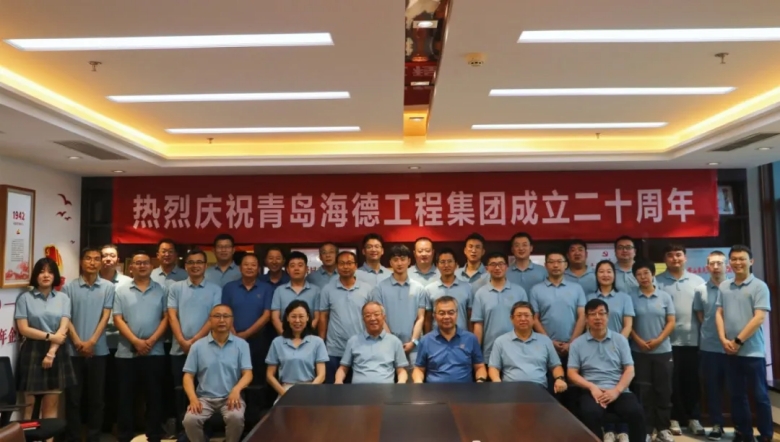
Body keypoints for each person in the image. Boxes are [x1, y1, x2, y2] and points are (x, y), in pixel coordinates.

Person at [567, 299, 646, 442]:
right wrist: (592, 387)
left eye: (601, 313)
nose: (597, 317)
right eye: (593, 314)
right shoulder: (577, 344)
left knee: (635, 412)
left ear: (607, 316)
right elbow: (571, 373)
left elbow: (629, 369)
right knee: (590, 413)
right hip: (592, 392)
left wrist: (616, 391)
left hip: (619, 390)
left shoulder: (620, 340)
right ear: (586, 319)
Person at [716, 245, 773, 442]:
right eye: (734, 259)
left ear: (751, 261)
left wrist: (738, 341)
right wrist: (723, 339)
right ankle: (743, 433)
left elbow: (759, 318)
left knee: (760, 396)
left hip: (753, 352)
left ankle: (766, 435)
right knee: (736, 395)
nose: (737, 262)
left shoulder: (759, 286)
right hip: (730, 351)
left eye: (742, 259)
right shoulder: (724, 286)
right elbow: (719, 313)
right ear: (729, 262)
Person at [113, 250, 169, 442]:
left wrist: (151, 341)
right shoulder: (121, 290)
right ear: (131, 267)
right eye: (138, 263)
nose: (142, 266)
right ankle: (125, 435)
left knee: (154, 395)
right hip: (126, 352)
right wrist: (136, 342)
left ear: (152, 267)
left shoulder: (161, 290)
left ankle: (154, 434)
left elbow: (167, 317)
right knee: (125, 396)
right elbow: (118, 319)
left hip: (155, 351)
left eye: (145, 262)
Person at [15, 257, 76, 426]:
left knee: (51, 404)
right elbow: (23, 329)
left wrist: (51, 352)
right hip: (32, 350)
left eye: (50, 272)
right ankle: (28, 437)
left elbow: (63, 327)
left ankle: (48, 438)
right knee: (29, 406)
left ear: (55, 275)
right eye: (41, 272)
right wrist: (50, 337)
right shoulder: (25, 298)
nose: (46, 275)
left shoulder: (63, 298)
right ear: (35, 275)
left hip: (56, 350)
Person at [167, 249, 222, 435]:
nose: (195, 266)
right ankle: (183, 433)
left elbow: (214, 318)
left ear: (205, 266)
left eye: (199, 262)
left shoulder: (215, 289)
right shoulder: (175, 288)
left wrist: (194, 342)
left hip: (207, 350)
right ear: (186, 266)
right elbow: (172, 316)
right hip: (179, 348)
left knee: (205, 392)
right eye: (191, 262)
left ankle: (205, 432)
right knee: (180, 392)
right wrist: (183, 341)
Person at [64, 248, 115, 442]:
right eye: (88, 259)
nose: (92, 262)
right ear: (81, 262)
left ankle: (94, 436)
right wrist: (78, 341)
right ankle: (73, 437)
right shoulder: (69, 287)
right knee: (73, 398)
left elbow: (106, 316)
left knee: (97, 399)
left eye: (96, 259)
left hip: (98, 350)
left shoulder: (108, 287)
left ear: (101, 262)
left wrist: (92, 341)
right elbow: (65, 317)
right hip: (73, 350)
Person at [182, 304, 253, 442]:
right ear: (210, 320)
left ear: (232, 320)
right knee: (190, 420)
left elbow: (248, 373)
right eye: (217, 316)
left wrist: (236, 390)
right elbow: (188, 376)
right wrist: (193, 398)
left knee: (236, 418)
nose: (221, 320)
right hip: (204, 398)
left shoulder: (242, 345)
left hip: (231, 397)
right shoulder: (197, 346)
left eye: (226, 316)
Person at [656, 244, 705, 436]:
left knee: (692, 381)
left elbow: (703, 312)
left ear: (685, 258)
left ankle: (693, 418)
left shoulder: (697, 281)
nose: (675, 258)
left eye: (678, 255)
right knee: (670, 383)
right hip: (666, 343)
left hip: (693, 341)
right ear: (664, 259)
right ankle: (673, 418)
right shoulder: (657, 281)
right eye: (670, 255)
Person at [587, 259, 635, 442]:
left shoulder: (624, 298)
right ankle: (607, 429)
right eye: (601, 271)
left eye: (609, 271)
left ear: (614, 275)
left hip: (619, 348)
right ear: (596, 275)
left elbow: (628, 324)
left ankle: (623, 430)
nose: (605, 275)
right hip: (595, 348)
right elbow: (586, 323)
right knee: (601, 385)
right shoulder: (589, 297)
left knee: (621, 388)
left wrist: (617, 343)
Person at [220, 254, 273, 414]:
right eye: (246, 264)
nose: (250, 267)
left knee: (257, 377)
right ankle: (234, 411)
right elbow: (224, 312)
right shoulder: (229, 287)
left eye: (253, 265)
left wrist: (247, 333)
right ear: (240, 268)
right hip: (231, 338)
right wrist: (234, 333)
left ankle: (255, 415)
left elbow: (267, 315)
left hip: (258, 340)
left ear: (258, 268)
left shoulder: (266, 288)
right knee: (234, 375)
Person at [630, 260, 675, 442]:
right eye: (639, 274)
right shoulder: (630, 297)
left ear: (653, 274)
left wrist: (658, 340)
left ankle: (663, 428)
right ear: (635, 277)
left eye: (646, 273)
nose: (643, 277)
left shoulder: (664, 297)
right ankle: (647, 429)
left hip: (662, 351)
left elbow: (671, 321)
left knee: (664, 391)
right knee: (644, 393)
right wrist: (638, 341)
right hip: (639, 352)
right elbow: (628, 323)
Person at [318, 251, 373, 383]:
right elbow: (323, 317)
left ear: (356, 266)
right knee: (333, 389)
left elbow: (373, 317)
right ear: (337, 266)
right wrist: (321, 343)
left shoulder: (367, 289)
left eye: (349, 263)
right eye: (342, 263)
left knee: (358, 389)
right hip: (334, 350)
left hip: (361, 348)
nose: (345, 267)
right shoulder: (327, 289)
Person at [488, 302, 565, 393]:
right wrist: (497, 381)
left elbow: (556, 366)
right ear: (511, 319)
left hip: (539, 390)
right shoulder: (501, 341)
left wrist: (560, 379)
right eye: (519, 315)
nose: (523, 319)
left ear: (533, 318)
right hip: (510, 390)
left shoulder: (545, 341)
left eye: (526, 315)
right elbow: (494, 367)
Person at [370, 245, 426, 367]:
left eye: (403, 259)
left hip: (414, 347)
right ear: (390, 262)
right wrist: (392, 342)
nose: (399, 263)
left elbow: (420, 318)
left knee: (415, 378)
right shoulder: (379, 288)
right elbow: (379, 318)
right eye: (395, 260)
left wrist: (413, 342)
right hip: (386, 346)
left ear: (409, 261)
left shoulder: (419, 288)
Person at [693, 251, 728, 440]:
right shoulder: (700, 290)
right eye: (712, 264)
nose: (716, 267)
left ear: (726, 266)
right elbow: (701, 315)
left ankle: (741, 425)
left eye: (719, 263)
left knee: (736, 389)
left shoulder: (733, 288)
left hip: (733, 347)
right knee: (712, 388)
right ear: (707, 267)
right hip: (709, 347)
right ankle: (717, 424)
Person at [412, 296, 485, 383]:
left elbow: (480, 367)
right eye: (442, 313)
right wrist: (418, 381)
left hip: (465, 390)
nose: (446, 317)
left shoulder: (470, 339)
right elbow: (419, 369)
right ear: (434, 315)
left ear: (457, 314)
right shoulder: (426, 340)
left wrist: (480, 380)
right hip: (434, 390)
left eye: (451, 313)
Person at [471, 252, 528, 362]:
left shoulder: (519, 291)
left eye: (501, 264)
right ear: (487, 268)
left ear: (507, 267)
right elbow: (478, 325)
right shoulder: (480, 294)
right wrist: (476, 353)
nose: (497, 268)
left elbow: (527, 322)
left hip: (517, 351)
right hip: (489, 352)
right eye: (493, 264)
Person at [97, 244, 130, 433]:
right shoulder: (92, 280)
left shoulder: (127, 282)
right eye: (104, 255)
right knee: (98, 387)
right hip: (96, 342)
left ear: (118, 259)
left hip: (120, 343)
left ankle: (118, 425)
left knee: (118, 386)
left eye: (112, 255)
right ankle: (99, 426)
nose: (108, 259)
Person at [266, 300, 328, 399]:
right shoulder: (277, 342)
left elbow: (322, 375)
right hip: (285, 390)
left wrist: (309, 392)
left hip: (310, 389)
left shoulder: (317, 342)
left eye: (301, 316)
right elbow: (269, 375)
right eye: (293, 316)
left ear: (308, 317)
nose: (297, 320)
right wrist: (285, 394)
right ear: (287, 318)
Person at [335, 301, 408, 384]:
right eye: (368, 315)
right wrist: (338, 381)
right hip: (358, 390)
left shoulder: (395, 341)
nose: (372, 318)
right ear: (363, 319)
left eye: (376, 314)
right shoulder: (353, 341)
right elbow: (343, 368)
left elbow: (401, 370)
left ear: (384, 317)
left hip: (386, 389)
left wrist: (401, 381)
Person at [424, 248, 472, 332]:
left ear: (456, 264)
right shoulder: (429, 289)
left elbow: (470, 317)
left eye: (450, 261)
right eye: (442, 262)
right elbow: (428, 319)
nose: (446, 265)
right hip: (437, 337)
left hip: (462, 336)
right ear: (437, 265)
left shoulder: (467, 287)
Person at [271, 251, 320, 334]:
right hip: (284, 337)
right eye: (292, 266)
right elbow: (275, 318)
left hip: (309, 337)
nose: (296, 268)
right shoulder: (279, 290)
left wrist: (305, 336)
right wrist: (286, 336)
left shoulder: (316, 290)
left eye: (300, 265)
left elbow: (317, 318)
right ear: (287, 270)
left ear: (306, 269)